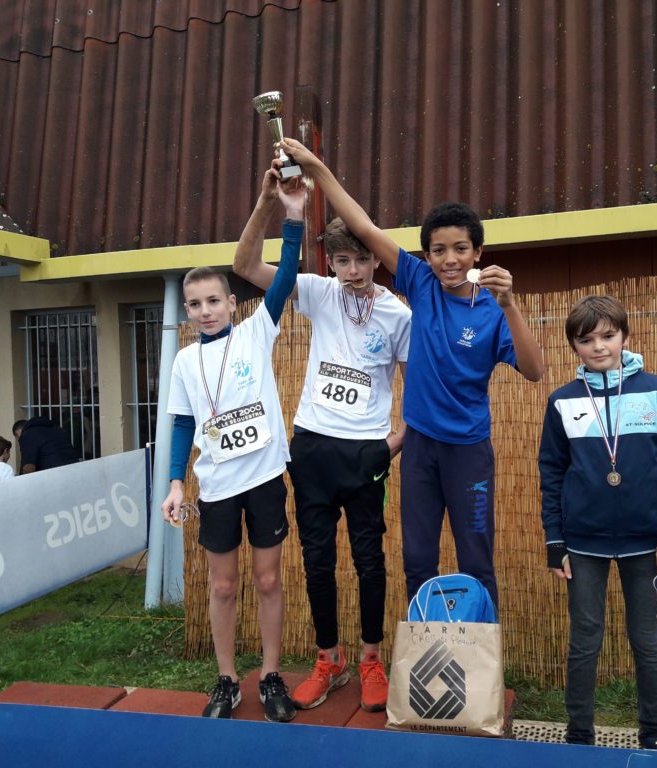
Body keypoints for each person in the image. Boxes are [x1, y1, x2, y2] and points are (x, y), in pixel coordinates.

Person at [278, 137, 544, 609]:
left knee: (476, 563)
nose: (449, 259)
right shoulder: (420, 284)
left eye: (460, 248)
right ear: (426, 257)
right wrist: (317, 167)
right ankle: (424, 674)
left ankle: (482, 674)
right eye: (438, 250)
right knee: (418, 561)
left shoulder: (492, 310)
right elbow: (360, 222)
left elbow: (535, 370)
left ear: (477, 252)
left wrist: (510, 305)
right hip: (421, 448)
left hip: (469, 452)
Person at [233, 168, 411, 713]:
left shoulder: (397, 312)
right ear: (329, 262)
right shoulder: (315, 292)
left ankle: (372, 659)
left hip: (366, 454)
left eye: (361, 259)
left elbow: (416, 390)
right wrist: (268, 201)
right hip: (311, 446)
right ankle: (328, 659)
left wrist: (391, 445)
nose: (353, 270)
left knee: (369, 560)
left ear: (376, 259)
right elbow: (243, 267)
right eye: (342, 261)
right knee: (316, 560)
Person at [161, 164, 304, 723]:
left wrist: (289, 217)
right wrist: (177, 482)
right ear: (188, 311)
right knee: (223, 586)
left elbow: (286, 277)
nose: (204, 311)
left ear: (231, 302)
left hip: (265, 478)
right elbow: (179, 425)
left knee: (268, 579)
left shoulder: (255, 331)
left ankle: (270, 675)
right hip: (217, 485)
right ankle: (226, 679)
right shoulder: (184, 360)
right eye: (194, 304)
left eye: (213, 300)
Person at [538, 294, 657, 750]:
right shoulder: (562, 401)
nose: (599, 347)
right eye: (586, 340)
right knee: (585, 640)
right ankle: (579, 736)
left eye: (608, 336)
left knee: (646, 640)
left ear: (625, 335)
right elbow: (551, 473)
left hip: (646, 543)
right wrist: (555, 540)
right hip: (582, 544)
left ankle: (655, 736)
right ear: (574, 346)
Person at [11, 417, 80, 473]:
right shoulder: (58, 429)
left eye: (18, 438)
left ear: (20, 432)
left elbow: (28, 467)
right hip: (74, 469)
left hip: (53, 474)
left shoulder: (27, 435)